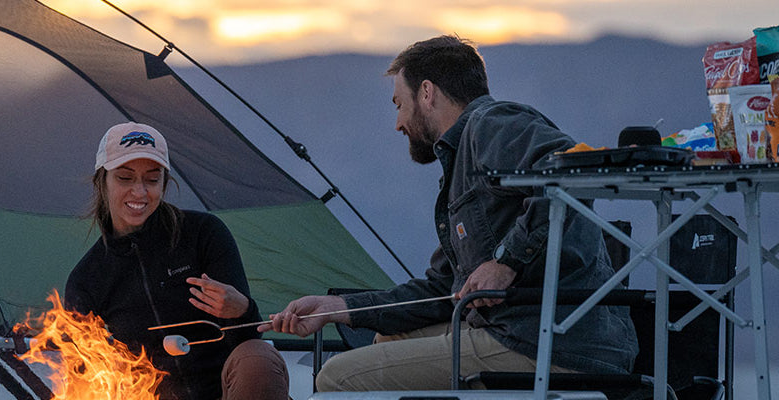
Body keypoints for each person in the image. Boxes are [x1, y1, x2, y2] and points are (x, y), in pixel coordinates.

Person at [260, 35, 638, 391]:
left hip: (551, 343)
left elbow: (572, 173)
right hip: (514, 330)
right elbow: (443, 289)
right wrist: (337, 308)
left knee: (337, 378)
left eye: (398, 104)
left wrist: (505, 262)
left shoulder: (492, 123)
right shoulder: (462, 162)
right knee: (388, 338)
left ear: (427, 93)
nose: (397, 124)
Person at [65, 122, 289, 400]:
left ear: (165, 182)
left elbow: (249, 337)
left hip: (227, 391)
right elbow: (83, 375)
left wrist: (241, 310)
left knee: (258, 359)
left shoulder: (203, 233)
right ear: (102, 181)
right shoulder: (87, 278)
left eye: (151, 179)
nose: (139, 192)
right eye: (124, 178)